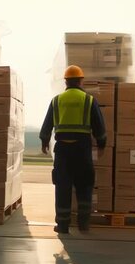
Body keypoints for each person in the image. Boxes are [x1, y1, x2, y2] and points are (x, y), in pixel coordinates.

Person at [40, 65, 107, 234]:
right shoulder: (88, 100)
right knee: (84, 185)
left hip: (62, 150)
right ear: (81, 80)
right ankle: (83, 223)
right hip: (82, 149)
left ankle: (62, 225)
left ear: (66, 82)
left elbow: (47, 124)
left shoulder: (56, 100)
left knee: (62, 186)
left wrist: (44, 141)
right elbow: (99, 125)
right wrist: (101, 143)